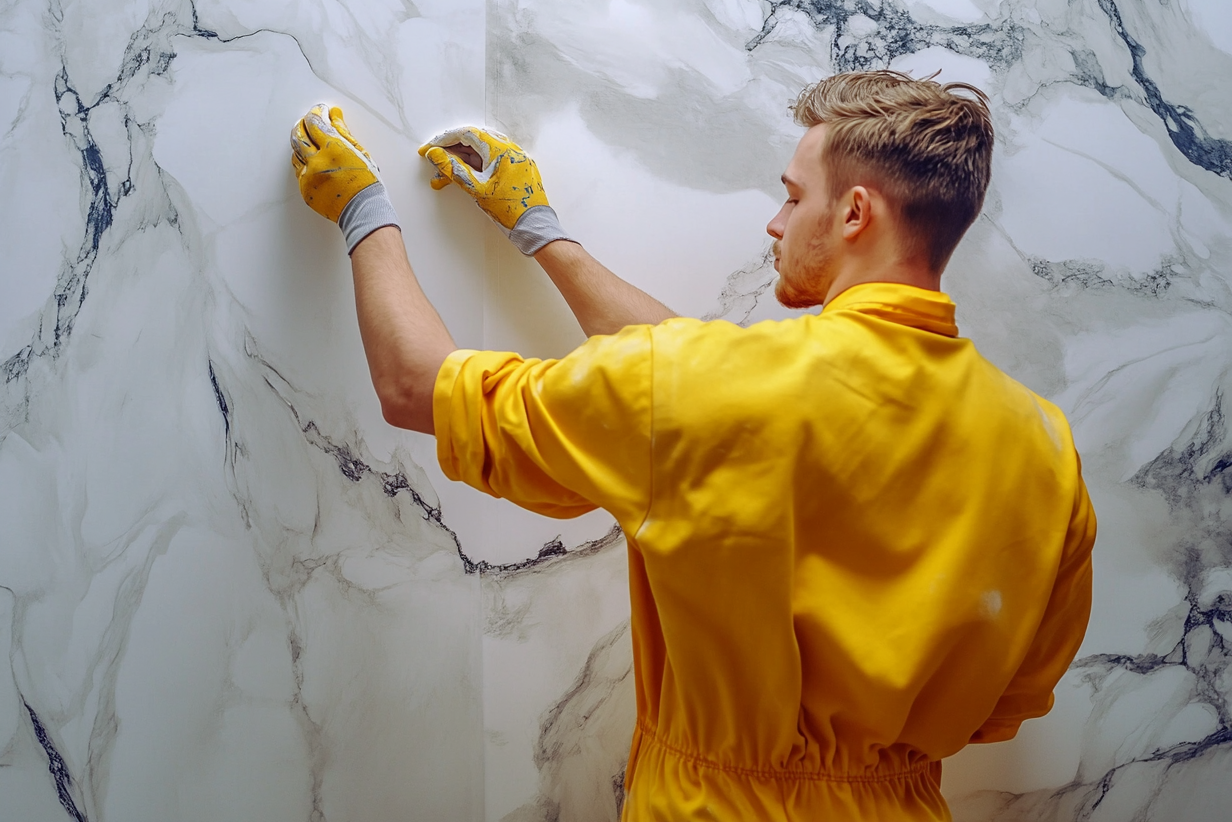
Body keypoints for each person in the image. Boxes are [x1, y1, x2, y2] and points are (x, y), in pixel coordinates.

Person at [289, 70, 1096, 822]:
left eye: (791, 196)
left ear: (855, 214)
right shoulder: (1045, 450)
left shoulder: (707, 391)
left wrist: (364, 210)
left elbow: (416, 386)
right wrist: (541, 233)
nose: (775, 223)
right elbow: (1009, 706)